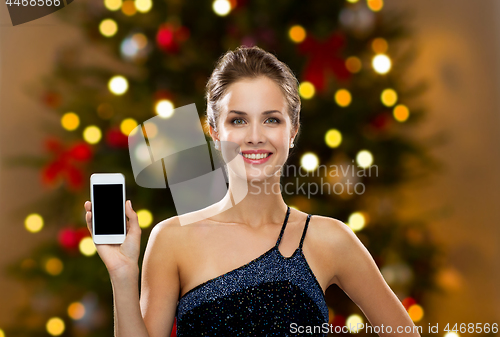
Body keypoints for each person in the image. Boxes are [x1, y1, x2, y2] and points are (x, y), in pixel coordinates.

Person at [84, 45, 421, 337]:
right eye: (238, 120)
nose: (255, 136)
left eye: (272, 120)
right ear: (215, 132)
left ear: (293, 131)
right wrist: (123, 274)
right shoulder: (172, 239)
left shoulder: (330, 239)